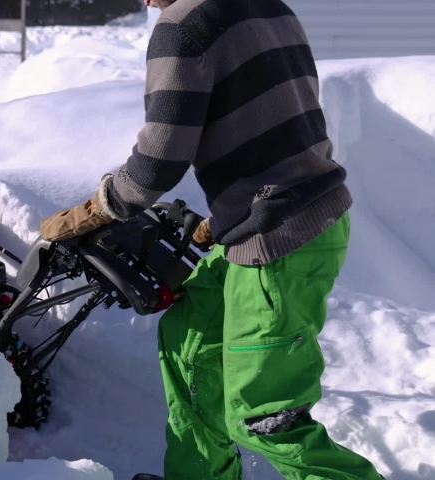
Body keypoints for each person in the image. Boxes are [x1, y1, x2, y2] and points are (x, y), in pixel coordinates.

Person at [39, 0, 385, 478]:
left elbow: (159, 159)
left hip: (279, 238)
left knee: (264, 415)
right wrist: (227, 216)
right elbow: (278, 120)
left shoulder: (183, 25)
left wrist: (97, 209)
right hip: (281, 217)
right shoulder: (270, 6)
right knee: (191, 339)